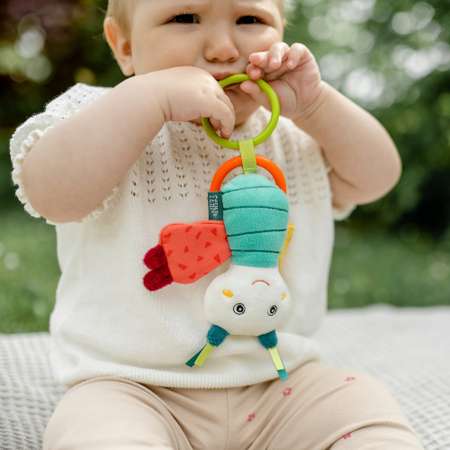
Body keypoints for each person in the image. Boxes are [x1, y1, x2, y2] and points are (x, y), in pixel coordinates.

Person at [9, 0, 425, 449]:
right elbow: (52, 195)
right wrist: (151, 100)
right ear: (125, 45)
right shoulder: (100, 119)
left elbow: (378, 178)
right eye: (184, 18)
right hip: (133, 388)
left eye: (250, 20)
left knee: (360, 405)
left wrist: (316, 104)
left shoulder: (294, 135)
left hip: (280, 386)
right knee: (99, 431)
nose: (224, 48)